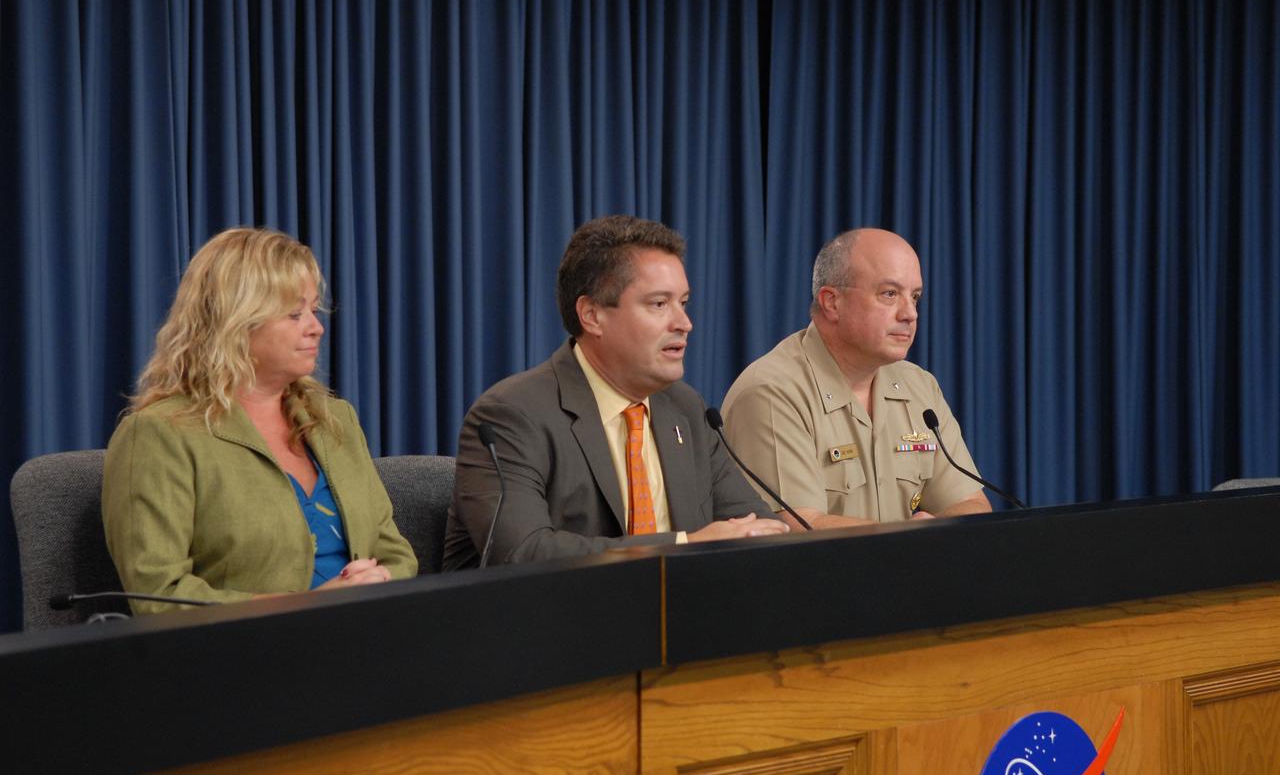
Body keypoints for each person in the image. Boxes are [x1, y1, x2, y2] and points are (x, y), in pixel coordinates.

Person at [442, 215, 789, 569]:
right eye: (658, 304)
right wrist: (687, 544)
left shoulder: (686, 409)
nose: (684, 323)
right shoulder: (512, 415)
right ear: (592, 315)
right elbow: (522, 554)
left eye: (683, 303)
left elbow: (758, 526)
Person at [102, 228, 417, 612]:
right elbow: (159, 597)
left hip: (365, 638)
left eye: (314, 310)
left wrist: (378, 582)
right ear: (235, 323)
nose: (316, 327)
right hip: (242, 657)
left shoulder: (336, 420)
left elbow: (395, 554)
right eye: (294, 313)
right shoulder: (158, 434)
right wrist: (308, 607)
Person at [720, 228, 991, 527]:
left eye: (914, 296)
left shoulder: (920, 386)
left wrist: (931, 537)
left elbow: (971, 503)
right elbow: (796, 528)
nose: (910, 313)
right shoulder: (772, 391)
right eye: (889, 294)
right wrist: (912, 541)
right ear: (832, 302)